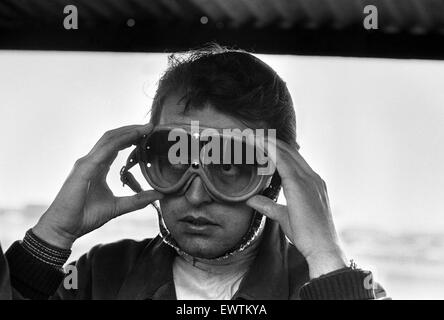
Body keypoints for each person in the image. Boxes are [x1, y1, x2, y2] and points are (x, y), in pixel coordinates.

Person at [3, 45, 386, 300]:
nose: (197, 195)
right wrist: (51, 237)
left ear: (276, 176)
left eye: (229, 165)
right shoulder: (98, 278)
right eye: (175, 159)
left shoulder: (331, 285)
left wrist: (325, 255)